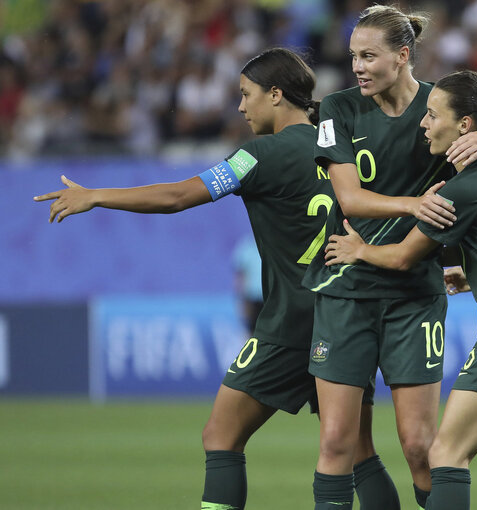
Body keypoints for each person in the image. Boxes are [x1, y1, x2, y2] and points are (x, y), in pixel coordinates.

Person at [34, 48, 395, 510]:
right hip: (350, 316)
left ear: (277, 95)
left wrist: (97, 195)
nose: (241, 107)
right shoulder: (346, 146)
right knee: (358, 452)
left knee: (221, 436)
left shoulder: (256, 156)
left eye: (246, 95)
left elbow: (178, 196)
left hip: (292, 323)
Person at [304, 7, 477, 509]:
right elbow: (349, 199)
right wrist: (412, 203)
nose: (356, 66)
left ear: (402, 56)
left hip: (415, 294)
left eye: (368, 56)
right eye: (353, 55)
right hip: (348, 287)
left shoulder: (442, 105)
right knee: (337, 442)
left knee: (422, 448)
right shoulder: (337, 108)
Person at [232, 234, 264, 332]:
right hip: (252, 298)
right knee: (251, 329)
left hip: (271, 298)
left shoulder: (273, 247)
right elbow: (239, 278)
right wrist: (241, 301)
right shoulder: (246, 248)